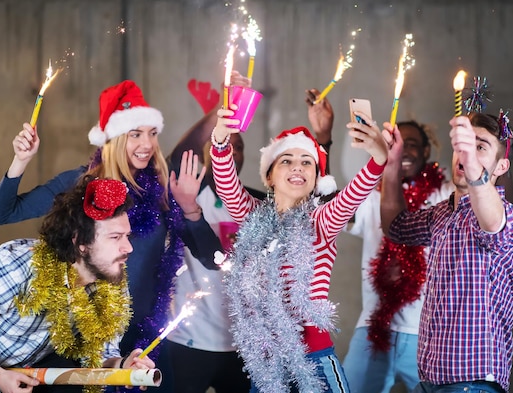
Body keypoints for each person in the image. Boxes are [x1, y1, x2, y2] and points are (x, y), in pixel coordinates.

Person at [0, 80, 219, 392]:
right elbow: (2, 213)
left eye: (152, 133)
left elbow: (212, 259)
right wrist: (21, 161)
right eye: (135, 134)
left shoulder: (164, 187)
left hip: (147, 343)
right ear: (112, 137)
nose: (147, 144)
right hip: (87, 339)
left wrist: (191, 208)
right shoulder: (78, 183)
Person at [165, 77, 334, 393]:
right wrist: (222, 115)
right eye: (227, 145)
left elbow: (312, 206)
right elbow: (178, 158)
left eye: (238, 146)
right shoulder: (188, 192)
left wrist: (323, 140)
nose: (233, 151)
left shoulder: (261, 204)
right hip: (192, 339)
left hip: (249, 346)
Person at [209, 97, 388, 393]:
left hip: (314, 359)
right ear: (269, 175)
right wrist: (219, 142)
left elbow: (353, 195)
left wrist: (378, 160)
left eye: (307, 162)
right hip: (267, 365)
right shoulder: (252, 215)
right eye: (287, 161)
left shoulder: (322, 220)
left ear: (316, 177)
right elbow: (227, 186)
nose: (297, 167)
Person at [0, 176, 156, 393]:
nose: (128, 247)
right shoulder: (18, 266)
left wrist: (123, 366)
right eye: (115, 237)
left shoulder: (111, 279)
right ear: (80, 242)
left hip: (29, 372)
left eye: (127, 236)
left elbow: (99, 352)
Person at [380, 111, 513, 393]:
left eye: (480, 146)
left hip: (472, 385)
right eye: (464, 144)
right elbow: (395, 226)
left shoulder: (502, 216)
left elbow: (493, 223)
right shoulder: (443, 214)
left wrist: (471, 164)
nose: (466, 152)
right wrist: (393, 161)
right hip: (431, 382)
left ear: (501, 166)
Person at [343, 120, 453, 393]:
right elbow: (333, 205)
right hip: (373, 328)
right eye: (396, 145)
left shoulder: (446, 194)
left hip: (428, 333)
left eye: (411, 145)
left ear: (427, 152)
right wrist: (324, 135)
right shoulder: (371, 196)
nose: (403, 152)